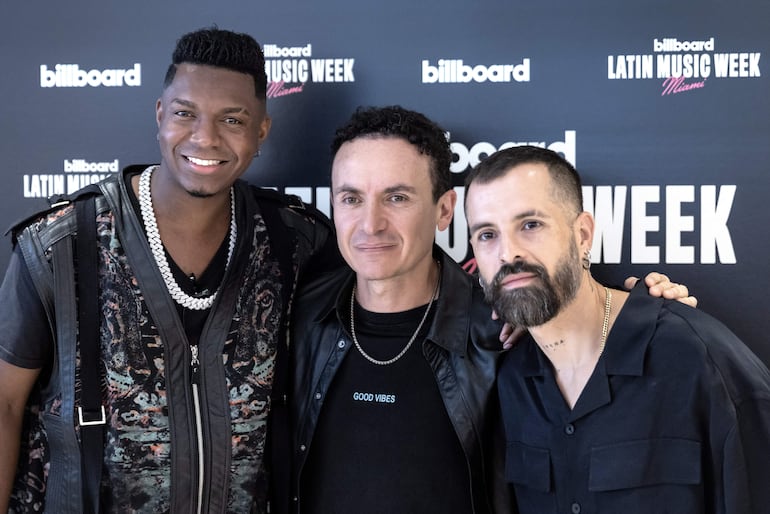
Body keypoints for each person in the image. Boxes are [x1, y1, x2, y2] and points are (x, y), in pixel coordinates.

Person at [288, 106, 695, 514]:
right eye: (351, 198)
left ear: (445, 210)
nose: (370, 223)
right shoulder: (294, 316)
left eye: (397, 197)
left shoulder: (507, 329)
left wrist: (647, 309)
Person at [0, 28, 339, 513]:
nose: (205, 136)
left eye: (232, 119)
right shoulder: (62, 243)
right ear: (160, 115)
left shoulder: (296, 241)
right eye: (185, 113)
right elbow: (4, 404)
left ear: (261, 130)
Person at [464, 145, 770, 513]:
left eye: (530, 225)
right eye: (487, 234)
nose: (507, 253)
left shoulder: (698, 359)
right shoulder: (509, 380)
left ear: (582, 235)